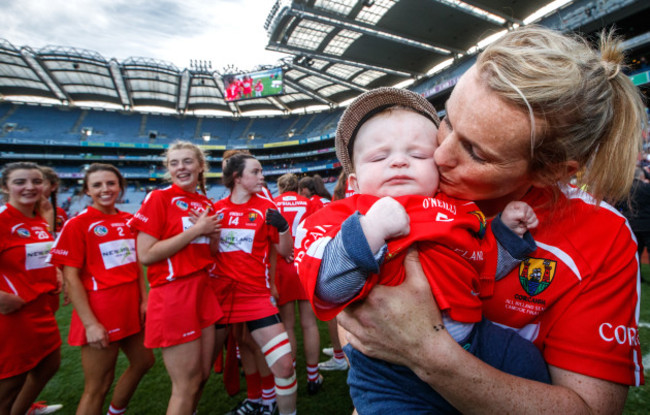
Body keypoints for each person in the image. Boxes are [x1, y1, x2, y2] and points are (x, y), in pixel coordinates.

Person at [335, 25, 645, 414]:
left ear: (551, 172)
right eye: (447, 121)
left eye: (476, 153)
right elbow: (349, 314)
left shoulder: (601, 236)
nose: (439, 155)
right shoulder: (410, 185)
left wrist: (430, 355)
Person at [295, 87, 546, 413]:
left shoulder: (458, 211)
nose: (399, 161)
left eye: (417, 155)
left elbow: (481, 265)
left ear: (440, 167)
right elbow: (327, 289)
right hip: (387, 371)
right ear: (354, 184)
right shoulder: (341, 217)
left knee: (527, 362)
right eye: (379, 157)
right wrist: (369, 231)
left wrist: (507, 234)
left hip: (476, 341)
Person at [47, 163, 155, 415]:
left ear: (120, 187)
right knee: (98, 386)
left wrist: (145, 299)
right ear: (87, 190)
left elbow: (137, 265)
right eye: (97, 185)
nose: (105, 189)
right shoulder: (78, 224)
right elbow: (71, 277)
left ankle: (115, 411)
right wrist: (90, 324)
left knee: (144, 362)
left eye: (110, 183)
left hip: (131, 307)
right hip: (101, 312)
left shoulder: (130, 220)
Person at [129, 141, 223, 415]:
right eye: (174, 163)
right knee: (185, 384)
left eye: (187, 161)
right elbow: (146, 255)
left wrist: (212, 235)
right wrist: (196, 231)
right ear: (167, 169)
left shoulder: (205, 203)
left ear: (200, 166)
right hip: (173, 293)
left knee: (201, 376)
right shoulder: (158, 198)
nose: (181, 168)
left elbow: (210, 253)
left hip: (203, 291)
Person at [209, 153, 296, 415]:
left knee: (285, 366)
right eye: (255, 172)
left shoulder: (266, 208)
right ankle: (255, 398)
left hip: (255, 297)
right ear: (237, 177)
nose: (262, 177)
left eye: (261, 171)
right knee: (198, 371)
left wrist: (283, 228)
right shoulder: (217, 209)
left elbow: (284, 252)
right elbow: (210, 253)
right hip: (220, 298)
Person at [0, 162, 62, 415]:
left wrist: (56, 272)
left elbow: (39, 255)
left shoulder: (37, 220)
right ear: (5, 187)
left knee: (49, 365)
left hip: (41, 309)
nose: (30, 187)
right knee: (10, 384)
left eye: (36, 182)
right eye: (20, 182)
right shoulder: (3, 220)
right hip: (15, 316)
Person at [273, 173, 323, 394]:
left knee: (288, 325)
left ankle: (291, 373)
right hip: (303, 263)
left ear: (281, 187)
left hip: (282, 266)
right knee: (309, 323)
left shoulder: (273, 203)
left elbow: (270, 239)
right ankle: (313, 376)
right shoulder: (309, 203)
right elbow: (316, 232)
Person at [318, 171, 352, 372]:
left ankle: (343, 354)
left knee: (340, 309)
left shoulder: (342, 186)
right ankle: (343, 352)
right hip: (364, 246)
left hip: (343, 250)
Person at [618, 167, 650, 272]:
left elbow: (619, 205)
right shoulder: (646, 187)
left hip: (632, 225)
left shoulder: (625, 189)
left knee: (636, 252)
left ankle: (638, 276)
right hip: (646, 225)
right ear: (642, 176)